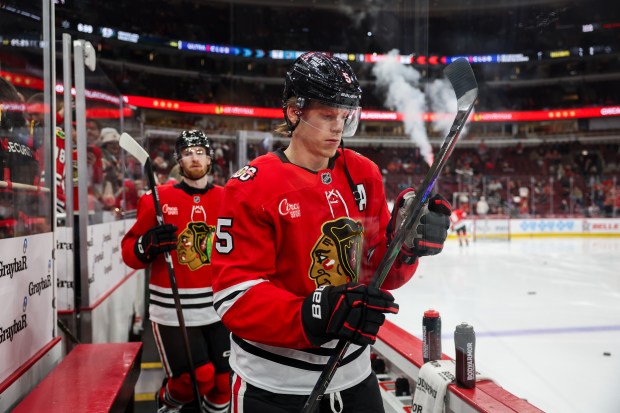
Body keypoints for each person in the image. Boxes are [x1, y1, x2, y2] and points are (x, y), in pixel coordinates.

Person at [211, 52, 451, 412]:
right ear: (294, 112)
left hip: (355, 377)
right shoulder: (252, 186)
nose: (338, 127)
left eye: (344, 115)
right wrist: (314, 313)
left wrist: (405, 246)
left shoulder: (363, 173)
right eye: (327, 115)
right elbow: (234, 297)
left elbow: (375, 271)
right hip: (275, 387)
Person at [121, 130, 231, 413]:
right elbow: (129, 252)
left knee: (223, 385)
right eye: (187, 153)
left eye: (199, 152)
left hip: (219, 306)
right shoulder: (156, 200)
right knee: (194, 380)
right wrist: (148, 244)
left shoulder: (229, 198)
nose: (194, 158)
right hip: (174, 308)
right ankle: (165, 404)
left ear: (209, 158)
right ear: (179, 161)